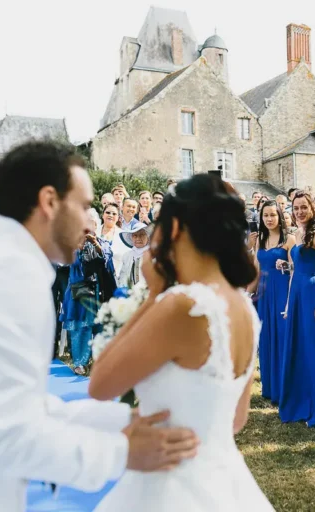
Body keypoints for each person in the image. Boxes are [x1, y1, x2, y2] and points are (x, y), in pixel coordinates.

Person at [0, 140, 199, 512]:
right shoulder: (8, 279)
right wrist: (123, 452)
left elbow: (14, 401)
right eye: (82, 206)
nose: (88, 220)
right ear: (49, 202)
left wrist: (119, 419)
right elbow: (10, 434)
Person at [88, 173, 274, 511]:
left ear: (173, 229)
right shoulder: (243, 306)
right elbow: (235, 420)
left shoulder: (182, 305)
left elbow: (100, 384)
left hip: (170, 485)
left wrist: (153, 296)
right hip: (225, 480)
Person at [278, 191, 315, 427]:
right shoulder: (296, 234)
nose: (299, 211)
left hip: (313, 292)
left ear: (312, 208)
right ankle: (299, 399)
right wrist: (289, 303)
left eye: (304, 207)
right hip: (298, 293)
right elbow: (294, 272)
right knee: (299, 346)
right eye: (295, 207)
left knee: (314, 346)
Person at [248, 200, 295, 404]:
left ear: (280, 216)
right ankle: (270, 387)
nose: (268, 219)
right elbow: (256, 271)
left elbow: (297, 269)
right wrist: (246, 294)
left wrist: (285, 264)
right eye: (265, 215)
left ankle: (286, 388)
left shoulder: (290, 239)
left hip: (283, 292)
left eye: (272, 215)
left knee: (283, 338)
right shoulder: (260, 240)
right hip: (264, 296)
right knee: (267, 339)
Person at [61, 212, 117, 375]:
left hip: (101, 291)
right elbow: (72, 264)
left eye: (90, 224)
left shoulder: (104, 243)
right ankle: (80, 362)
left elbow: (108, 265)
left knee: (101, 327)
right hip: (80, 292)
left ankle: (102, 361)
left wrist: (97, 246)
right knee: (81, 328)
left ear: (96, 226)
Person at [97, 203, 128, 276]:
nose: (110, 215)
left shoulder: (123, 235)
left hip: (116, 275)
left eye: (114, 214)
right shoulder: (94, 232)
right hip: (94, 277)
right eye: (108, 212)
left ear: (118, 217)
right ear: (103, 215)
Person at [118, 222, 150, 288]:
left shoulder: (152, 255)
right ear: (131, 238)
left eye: (141, 235)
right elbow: (122, 276)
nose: (138, 238)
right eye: (135, 235)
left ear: (148, 237)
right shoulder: (127, 256)